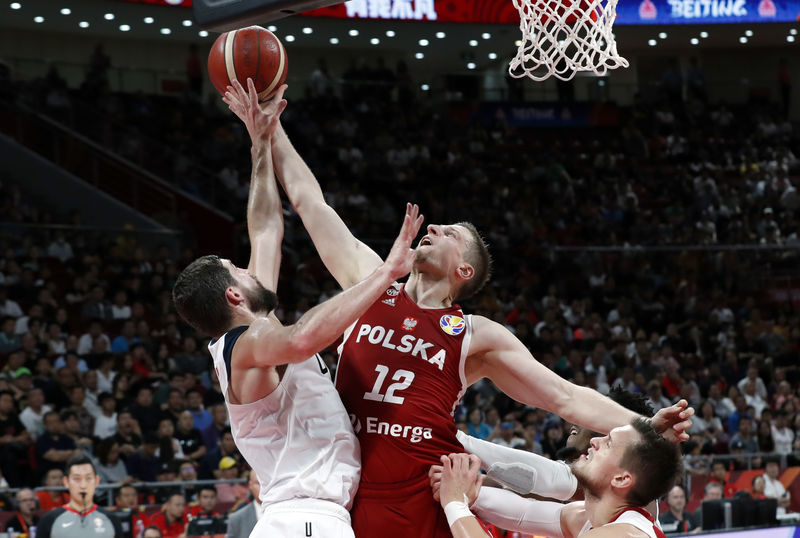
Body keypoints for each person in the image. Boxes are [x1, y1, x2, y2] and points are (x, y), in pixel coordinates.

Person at [267, 84, 693, 536]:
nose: (431, 227)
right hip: (343, 488)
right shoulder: (371, 284)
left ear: (464, 270)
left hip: (423, 493)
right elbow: (310, 204)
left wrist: (644, 426)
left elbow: (564, 396)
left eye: (448, 233)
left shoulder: (475, 334)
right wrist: (269, 127)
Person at [172, 79, 423, 537]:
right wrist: (384, 274)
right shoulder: (246, 346)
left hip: (307, 517)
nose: (250, 270)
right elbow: (305, 337)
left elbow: (266, 228)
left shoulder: (252, 330)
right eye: (239, 270)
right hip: (303, 518)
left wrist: (259, 142)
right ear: (233, 295)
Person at [432, 418, 681, 538]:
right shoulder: (589, 518)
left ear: (621, 479)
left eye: (608, 443)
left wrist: (455, 502)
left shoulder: (623, 536)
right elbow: (525, 513)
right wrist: (470, 492)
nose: (594, 440)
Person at [37, 454, 123, 537]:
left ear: (96, 481)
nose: (83, 485)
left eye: (88, 478)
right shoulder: (49, 520)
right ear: (66, 482)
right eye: (77, 479)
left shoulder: (112, 519)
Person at [226, 470, 263, 538]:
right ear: (250, 485)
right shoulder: (236, 518)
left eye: (265, 483)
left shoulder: (286, 513)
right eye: (258, 483)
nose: (263, 488)